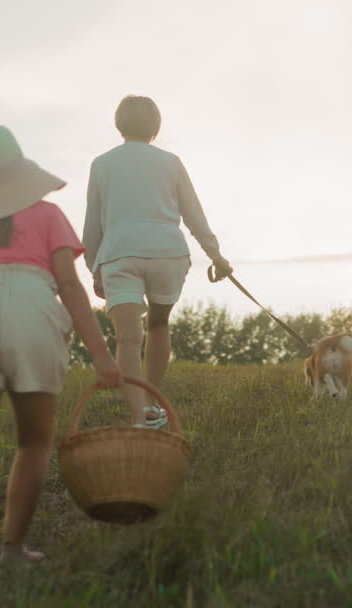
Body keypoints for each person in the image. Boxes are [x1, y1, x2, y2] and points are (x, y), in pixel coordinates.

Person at [0, 124, 121, 589]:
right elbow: (69, 286)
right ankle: (12, 549)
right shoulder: (47, 214)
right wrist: (101, 355)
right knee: (33, 443)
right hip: (32, 311)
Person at [83, 95, 234, 429]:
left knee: (127, 339)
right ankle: (152, 403)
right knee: (158, 325)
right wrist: (215, 255)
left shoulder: (101, 164)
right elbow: (194, 214)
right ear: (156, 125)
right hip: (167, 252)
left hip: (119, 254)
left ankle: (139, 416)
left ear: (119, 123)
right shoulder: (170, 161)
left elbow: (92, 223)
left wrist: (94, 267)